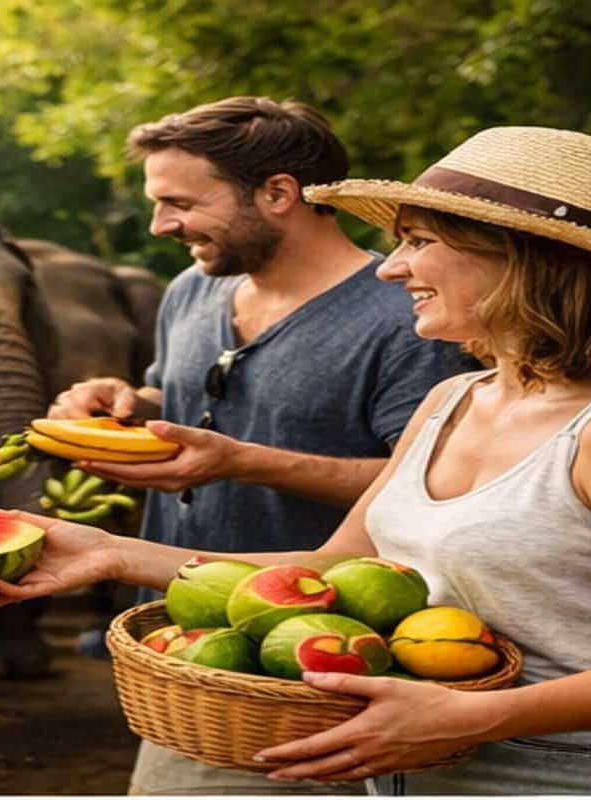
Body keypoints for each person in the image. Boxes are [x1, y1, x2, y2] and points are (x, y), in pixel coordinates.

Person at [0, 125, 591, 795]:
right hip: (415, 766)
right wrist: (113, 553)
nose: (389, 268)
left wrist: (478, 716)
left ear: (524, 257)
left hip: (563, 772)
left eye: (418, 242)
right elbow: (332, 568)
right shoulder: (453, 399)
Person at [47, 96, 478, 794]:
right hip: (188, 647)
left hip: (323, 667)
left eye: (179, 202)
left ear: (278, 192)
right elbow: (187, 399)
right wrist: (128, 405)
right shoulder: (191, 289)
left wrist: (242, 462)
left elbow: (427, 490)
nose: (161, 225)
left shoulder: (410, 319)